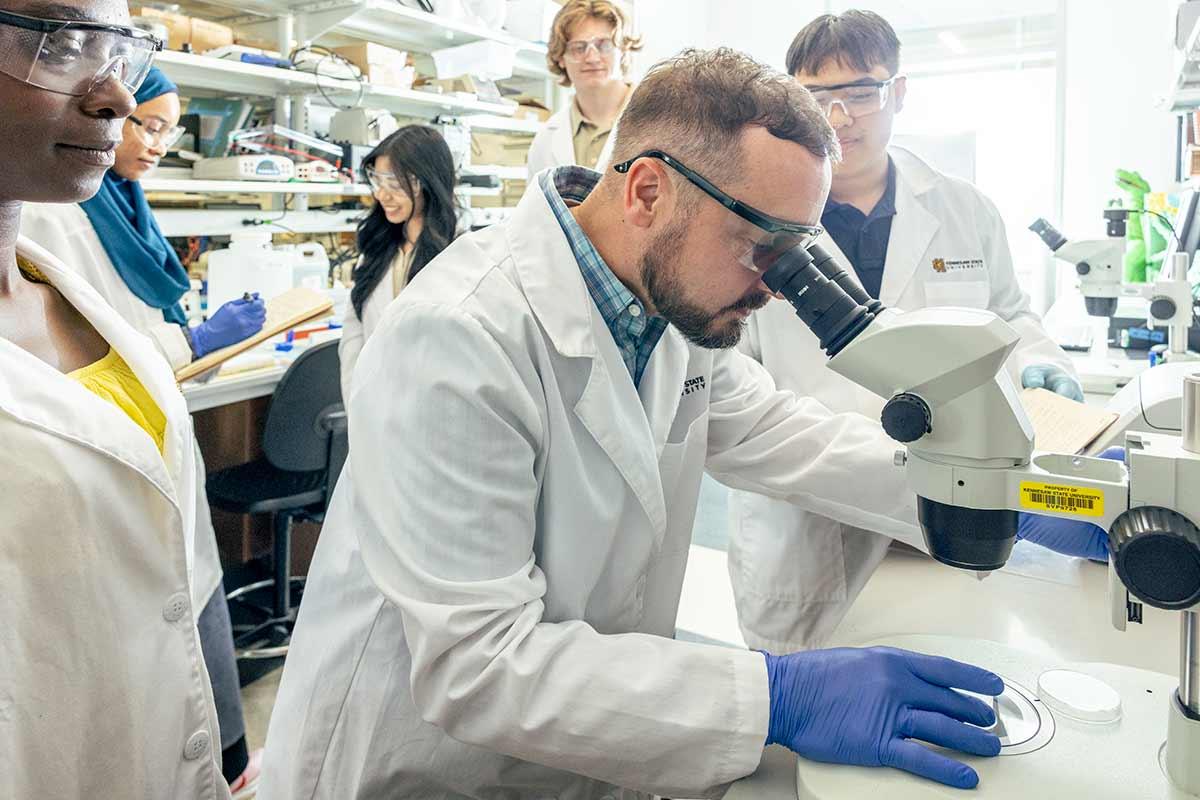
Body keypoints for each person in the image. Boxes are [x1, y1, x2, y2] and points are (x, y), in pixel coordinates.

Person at [257, 49, 1108, 800]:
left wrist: (1007, 494)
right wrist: (772, 697)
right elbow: (480, 668)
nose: (778, 284)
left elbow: (788, 435)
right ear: (649, 191)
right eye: (761, 244)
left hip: (584, 752)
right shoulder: (458, 337)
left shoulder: (662, 310)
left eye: (796, 249)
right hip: (422, 767)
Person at [726, 9, 1096, 656]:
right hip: (812, 523)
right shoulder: (753, 225)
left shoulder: (962, 207)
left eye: (861, 91)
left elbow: (1010, 316)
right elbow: (737, 391)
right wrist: (903, 471)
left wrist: (1042, 364)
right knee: (814, 727)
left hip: (953, 521)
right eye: (817, 97)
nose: (841, 117)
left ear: (898, 91)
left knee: (954, 676)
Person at [0, 2, 228, 797]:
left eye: (121, 53)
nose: (119, 99)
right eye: (62, 48)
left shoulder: (65, 293)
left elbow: (170, 582)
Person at [339, 125, 458, 401]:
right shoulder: (378, 248)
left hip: (430, 410)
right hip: (370, 405)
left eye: (394, 183)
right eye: (378, 181)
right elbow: (354, 329)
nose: (382, 195)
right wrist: (356, 401)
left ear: (428, 183)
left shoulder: (459, 253)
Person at [526, 0, 642, 178]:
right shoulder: (545, 140)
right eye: (578, 48)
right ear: (560, 58)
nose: (592, 57)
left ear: (623, 49)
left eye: (604, 45)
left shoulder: (662, 121)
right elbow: (536, 205)